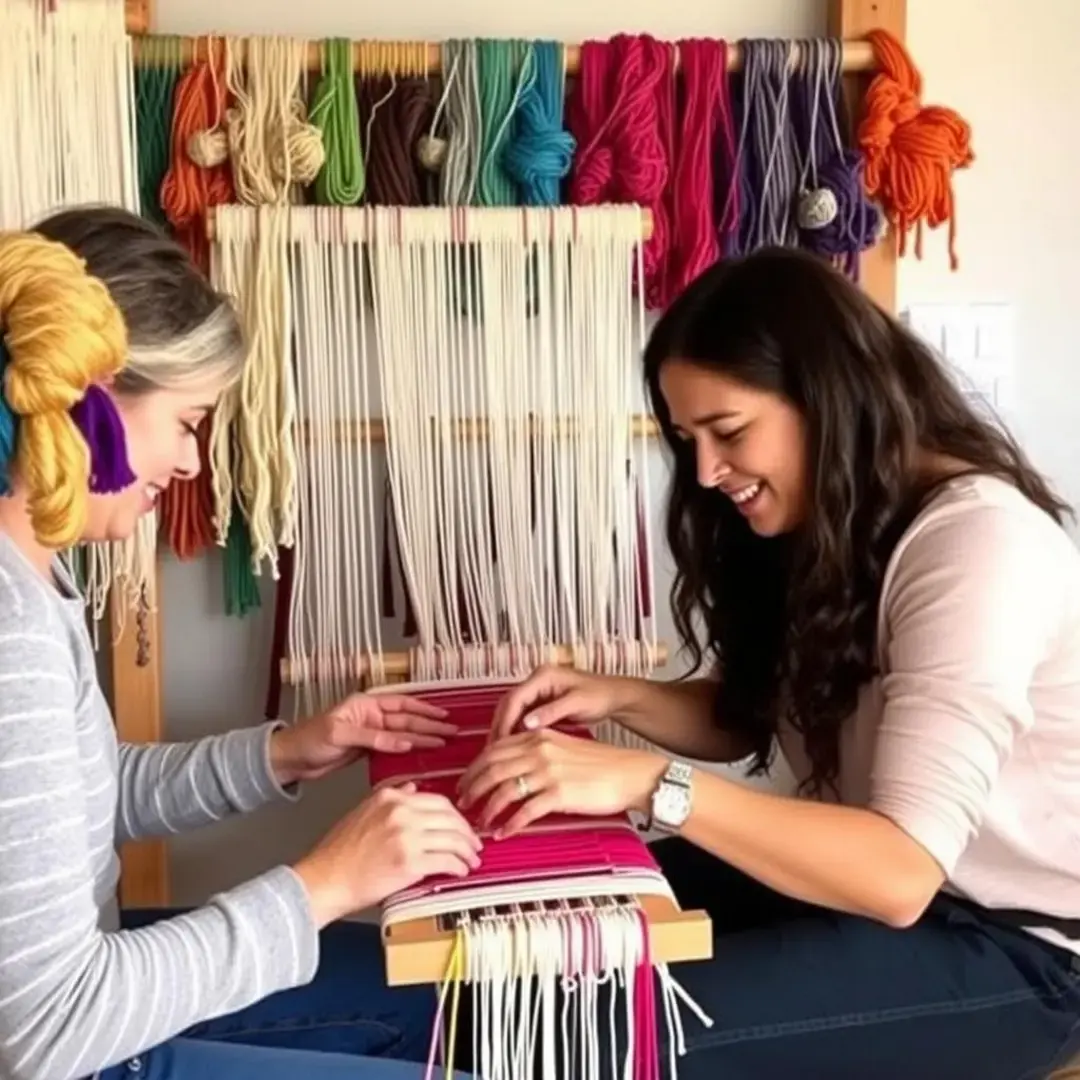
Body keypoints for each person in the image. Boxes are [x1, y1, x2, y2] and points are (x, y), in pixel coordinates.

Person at [459, 247, 1080, 1079]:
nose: (707, 472)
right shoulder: (834, 518)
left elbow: (897, 870)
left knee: (586, 1038)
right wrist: (614, 697)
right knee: (539, 955)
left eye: (729, 431)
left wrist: (644, 784)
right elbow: (758, 713)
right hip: (892, 898)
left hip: (1022, 949)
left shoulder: (977, 545)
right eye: (688, 440)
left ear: (827, 397)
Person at [0, 206, 480, 1080]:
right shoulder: (10, 630)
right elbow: (44, 1032)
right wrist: (325, 884)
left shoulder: (35, 578)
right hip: (72, 1044)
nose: (191, 464)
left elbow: (72, 804)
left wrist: (289, 752)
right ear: (90, 403)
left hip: (81, 1005)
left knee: (439, 1003)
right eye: (188, 423)